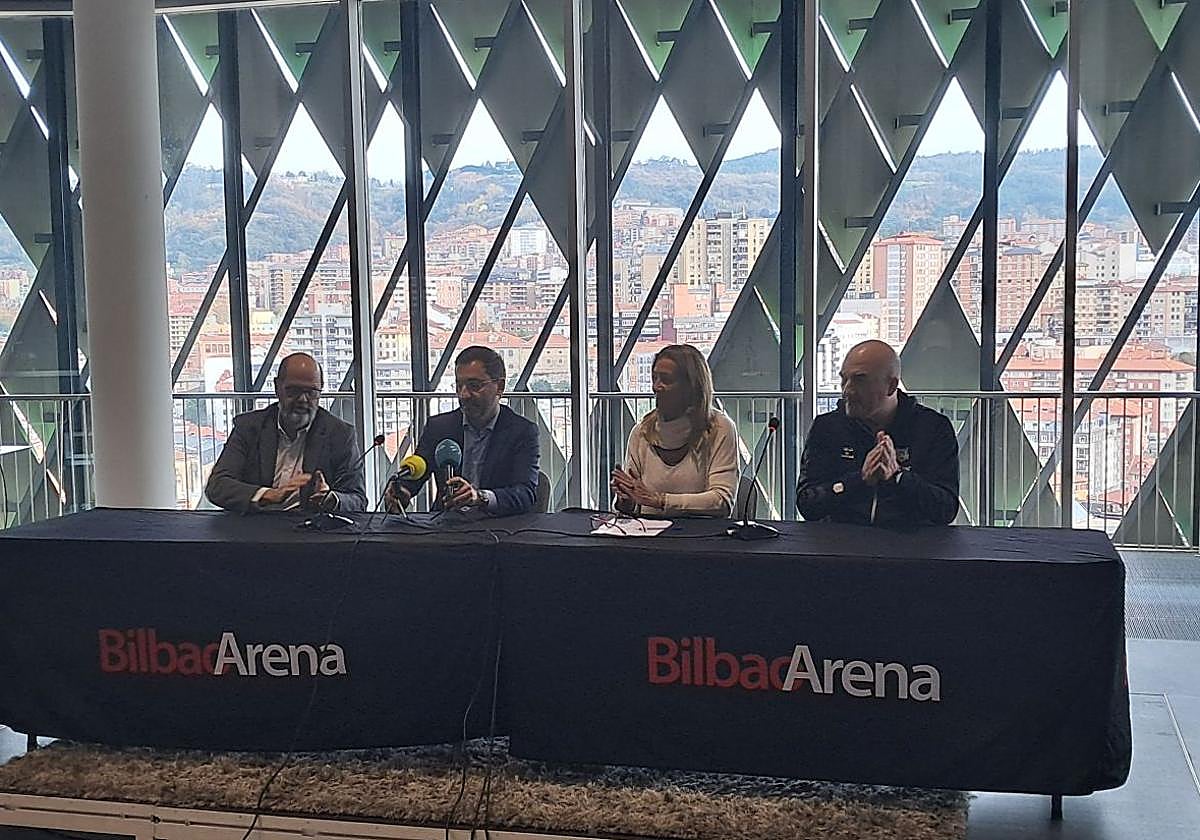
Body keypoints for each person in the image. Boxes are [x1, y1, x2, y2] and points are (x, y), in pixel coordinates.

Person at [796, 340, 959, 526]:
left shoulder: (932, 428)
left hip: (912, 550)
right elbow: (807, 504)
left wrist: (898, 477)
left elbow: (945, 509)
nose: (847, 390)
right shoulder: (827, 427)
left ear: (891, 386)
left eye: (859, 379)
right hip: (841, 549)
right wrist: (858, 480)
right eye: (844, 379)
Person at [385, 345, 539, 517]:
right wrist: (402, 491)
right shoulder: (439, 427)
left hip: (499, 531)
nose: (463, 394)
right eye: (459, 385)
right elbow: (418, 473)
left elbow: (525, 494)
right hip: (445, 529)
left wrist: (481, 497)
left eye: (474, 385)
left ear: (499, 387)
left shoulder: (522, 432)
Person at [205, 352, 368, 513]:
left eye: (311, 392)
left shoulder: (340, 434)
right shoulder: (249, 428)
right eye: (294, 391)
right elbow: (217, 486)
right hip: (254, 527)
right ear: (277, 388)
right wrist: (268, 495)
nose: (303, 399)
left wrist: (330, 499)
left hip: (311, 531)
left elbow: (358, 499)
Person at [612, 344, 737, 517]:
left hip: (701, 539)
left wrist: (660, 500)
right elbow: (632, 506)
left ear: (691, 387)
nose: (656, 387)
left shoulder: (720, 429)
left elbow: (722, 501)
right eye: (654, 378)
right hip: (648, 537)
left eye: (666, 380)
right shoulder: (641, 432)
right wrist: (626, 499)